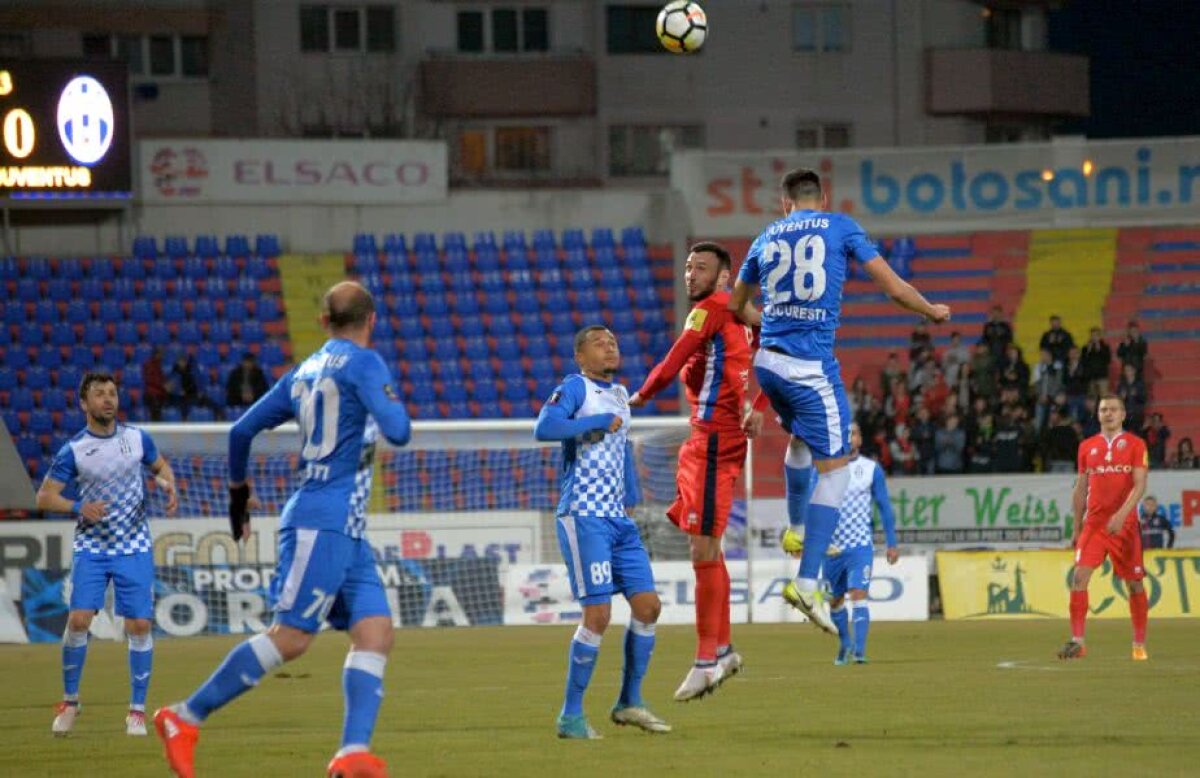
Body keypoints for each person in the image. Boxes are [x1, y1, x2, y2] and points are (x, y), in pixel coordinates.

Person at [154, 282, 412, 777]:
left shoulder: (304, 371)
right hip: (323, 520)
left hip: (345, 528)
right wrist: (387, 403)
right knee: (292, 637)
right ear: (372, 319)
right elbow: (398, 431)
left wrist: (237, 494)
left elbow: (240, 431)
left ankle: (351, 752)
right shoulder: (365, 363)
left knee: (375, 632)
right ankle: (183, 716)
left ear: (322, 322)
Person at [729, 167, 950, 632]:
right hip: (810, 368)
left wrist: (772, 321)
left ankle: (795, 527)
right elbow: (892, 288)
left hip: (768, 364)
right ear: (823, 197)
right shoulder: (840, 225)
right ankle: (806, 583)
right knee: (838, 472)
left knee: (802, 443)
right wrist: (931, 310)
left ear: (785, 202)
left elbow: (736, 307)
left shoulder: (765, 236)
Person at [628, 242, 761, 701]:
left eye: (701, 268)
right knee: (704, 545)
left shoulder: (709, 310)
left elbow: (671, 361)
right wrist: (756, 404)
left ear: (725, 277)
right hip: (709, 439)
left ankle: (707, 660)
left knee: (703, 546)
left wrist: (639, 397)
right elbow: (772, 353)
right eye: (687, 267)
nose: (690, 274)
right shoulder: (741, 315)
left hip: (714, 441)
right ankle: (721, 649)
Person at [535, 325, 670, 739]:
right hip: (584, 515)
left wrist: (631, 494)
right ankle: (570, 716)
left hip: (618, 519)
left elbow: (621, 446)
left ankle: (629, 701)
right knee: (598, 615)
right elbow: (545, 427)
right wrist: (596, 421)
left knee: (648, 607)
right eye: (599, 342)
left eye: (613, 340)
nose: (610, 345)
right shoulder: (575, 387)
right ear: (580, 356)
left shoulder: (619, 395)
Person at [36, 372, 179, 737]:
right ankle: (70, 701)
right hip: (93, 547)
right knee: (80, 620)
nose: (108, 400)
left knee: (140, 625)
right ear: (84, 404)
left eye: (112, 393)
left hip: (133, 546)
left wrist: (168, 483)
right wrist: (77, 506)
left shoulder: (136, 438)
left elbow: (160, 465)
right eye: (99, 394)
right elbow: (44, 496)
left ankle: (136, 711)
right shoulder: (75, 450)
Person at [1059, 395, 1149, 662]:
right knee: (1078, 578)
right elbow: (1080, 488)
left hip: (1126, 526)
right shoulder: (1087, 446)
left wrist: (1122, 515)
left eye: (1113, 409)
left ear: (1123, 414)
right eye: (1103, 410)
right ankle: (1078, 642)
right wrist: (1076, 527)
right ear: (1098, 415)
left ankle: (1139, 643)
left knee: (1134, 585)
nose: (1108, 413)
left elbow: (1140, 485)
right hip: (1095, 525)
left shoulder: (1135, 444)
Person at [823, 423, 898, 665]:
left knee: (858, 594)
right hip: (832, 549)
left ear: (860, 439)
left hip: (860, 546)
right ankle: (845, 641)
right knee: (835, 600)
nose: (849, 437)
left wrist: (892, 543)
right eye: (845, 433)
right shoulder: (825, 468)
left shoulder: (870, 469)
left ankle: (859, 651)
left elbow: (884, 507)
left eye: (853, 432)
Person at [1080, 327, 1112, 398]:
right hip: (1091, 377)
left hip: (1102, 376)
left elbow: (1108, 360)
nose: (1094, 337)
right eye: (1092, 335)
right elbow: (1083, 362)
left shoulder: (1105, 347)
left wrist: (1100, 350)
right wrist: (1088, 351)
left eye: (1096, 335)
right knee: (1092, 398)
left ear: (1100, 336)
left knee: (1104, 397)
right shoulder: (1085, 348)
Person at [142, 347, 167, 422]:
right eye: (160, 354)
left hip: (160, 391)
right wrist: (163, 385)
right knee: (155, 403)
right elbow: (150, 380)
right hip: (152, 392)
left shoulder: (160, 364)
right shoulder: (149, 364)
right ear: (156, 354)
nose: (161, 356)